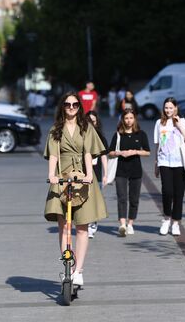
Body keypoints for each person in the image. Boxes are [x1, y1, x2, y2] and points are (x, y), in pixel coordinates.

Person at [44, 92, 108, 287]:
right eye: (67, 104)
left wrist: (90, 174)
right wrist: (52, 175)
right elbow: (54, 155)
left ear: (80, 107)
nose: (71, 108)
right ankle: (67, 266)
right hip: (62, 177)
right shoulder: (56, 129)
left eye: (75, 105)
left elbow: (88, 153)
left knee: (82, 227)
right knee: (64, 226)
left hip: (82, 178)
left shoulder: (86, 127)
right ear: (62, 107)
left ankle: (78, 270)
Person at [154, 97, 185, 236]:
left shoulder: (182, 122)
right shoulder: (159, 123)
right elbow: (157, 145)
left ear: (176, 108)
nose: (168, 110)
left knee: (178, 195)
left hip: (180, 163)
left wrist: (179, 126)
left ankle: (176, 223)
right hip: (164, 162)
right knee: (167, 192)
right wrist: (156, 164)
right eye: (166, 107)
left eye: (171, 107)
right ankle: (166, 219)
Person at [109, 110, 150, 237]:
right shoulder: (118, 135)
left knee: (134, 198)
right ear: (122, 119)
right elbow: (110, 152)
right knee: (121, 197)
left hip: (136, 170)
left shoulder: (141, 134)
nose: (128, 121)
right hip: (121, 170)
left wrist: (135, 152)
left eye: (131, 118)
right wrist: (119, 153)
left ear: (135, 119)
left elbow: (147, 152)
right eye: (126, 118)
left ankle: (130, 224)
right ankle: (122, 224)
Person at [85, 111, 108, 239]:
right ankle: (87, 223)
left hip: (97, 173)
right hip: (83, 173)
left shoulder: (100, 137)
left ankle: (92, 224)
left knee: (94, 200)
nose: (91, 124)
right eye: (88, 121)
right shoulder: (81, 135)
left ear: (97, 122)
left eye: (93, 121)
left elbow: (104, 156)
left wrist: (106, 174)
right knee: (85, 199)